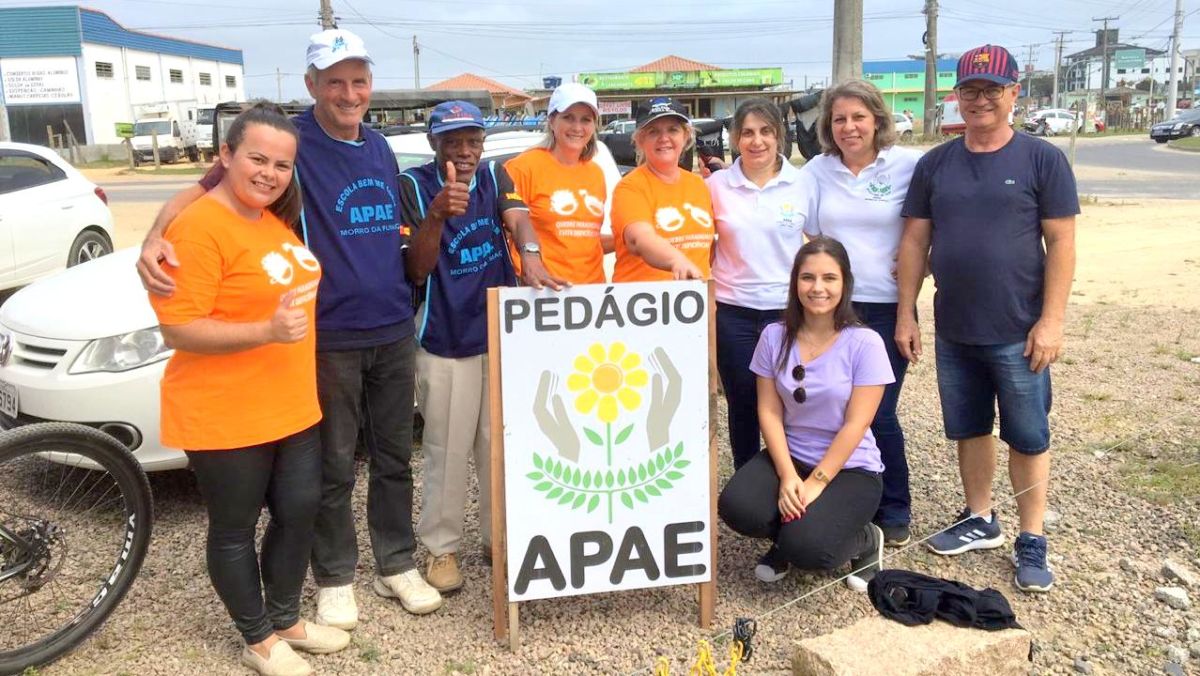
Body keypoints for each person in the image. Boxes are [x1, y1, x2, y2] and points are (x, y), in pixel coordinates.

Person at [137, 29, 443, 627]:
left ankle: (396, 562)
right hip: (326, 334)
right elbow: (204, 190)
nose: (349, 93)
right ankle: (335, 575)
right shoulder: (289, 144)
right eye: (335, 81)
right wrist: (153, 236)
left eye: (358, 80)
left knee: (393, 457)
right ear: (311, 86)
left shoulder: (380, 148)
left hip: (391, 326)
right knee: (332, 464)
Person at [149, 102, 350, 676]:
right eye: (257, 159)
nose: (269, 173)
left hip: (291, 406)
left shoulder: (270, 219)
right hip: (224, 413)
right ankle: (257, 637)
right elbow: (178, 328)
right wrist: (265, 330)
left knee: (300, 510)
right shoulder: (199, 226)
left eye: (282, 165)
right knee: (235, 528)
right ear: (225, 158)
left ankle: (285, 617)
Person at [896, 44, 1078, 593]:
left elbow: (1062, 241)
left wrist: (1052, 321)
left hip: (1020, 330)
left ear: (1014, 93)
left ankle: (1032, 536)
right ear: (958, 95)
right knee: (970, 428)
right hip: (954, 327)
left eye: (991, 90)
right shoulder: (936, 164)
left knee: (1027, 435)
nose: (980, 100)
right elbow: (914, 241)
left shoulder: (1042, 159)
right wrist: (907, 313)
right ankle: (980, 518)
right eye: (970, 90)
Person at [400, 100, 563, 594]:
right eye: (453, 142)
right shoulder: (413, 184)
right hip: (444, 337)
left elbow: (518, 218)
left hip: (499, 334)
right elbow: (416, 269)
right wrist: (436, 214)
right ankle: (442, 548)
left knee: (500, 444)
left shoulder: (494, 176)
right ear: (435, 145)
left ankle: (500, 536)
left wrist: (530, 255)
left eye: (472, 141)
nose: (465, 151)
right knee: (446, 448)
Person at [717, 237, 893, 590]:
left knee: (809, 550)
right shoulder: (773, 336)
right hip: (791, 456)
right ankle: (791, 533)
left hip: (848, 468)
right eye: (808, 277)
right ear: (795, 282)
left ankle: (865, 538)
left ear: (845, 284)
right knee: (737, 508)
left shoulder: (865, 344)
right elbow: (767, 411)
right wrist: (786, 476)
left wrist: (815, 483)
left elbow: (857, 423)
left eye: (829, 278)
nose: (818, 288)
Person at [801, 79, 922, 548]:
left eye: (858, 117)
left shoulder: (909, 166)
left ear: (877, 119)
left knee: (878, 413)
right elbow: (805, 232)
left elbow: (928, 229)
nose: (849, 127)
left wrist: (921, 274)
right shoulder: (816, 171)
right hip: (833, 309)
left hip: (889, 305)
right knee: (834, 408)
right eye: (838, 119)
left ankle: (894, 506)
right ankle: (839, 502)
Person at [707, 97, 815, 477]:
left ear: (779, 136)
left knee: (791, 399)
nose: (757, 141)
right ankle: (747, 481)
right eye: (748, 133)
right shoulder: (717, 185)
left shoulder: (802, 183)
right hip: (733, 310)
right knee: (742, 401)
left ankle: (792, 477)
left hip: (786, 312)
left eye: (766, 131)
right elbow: (702, 245)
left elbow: (819, 245)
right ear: (735, 138)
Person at [505, 82, 615, 284]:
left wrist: (633, 239)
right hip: (541, 293)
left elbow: (585, 241)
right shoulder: (523, 167)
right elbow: (504, 236)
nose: (577, 127)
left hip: (591, 294)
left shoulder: (595, 173)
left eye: (586, 120)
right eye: (568, 118)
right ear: (552, 120)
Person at [610, 97, 714, 282]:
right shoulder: (630, 187)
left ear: (685, 136)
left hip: (694, 304)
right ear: (640, 140)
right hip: (644, 305)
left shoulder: (698, 185)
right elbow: (640, 239)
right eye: (653, 131)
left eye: (672, 130)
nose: (664, 138)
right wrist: (676, 261)